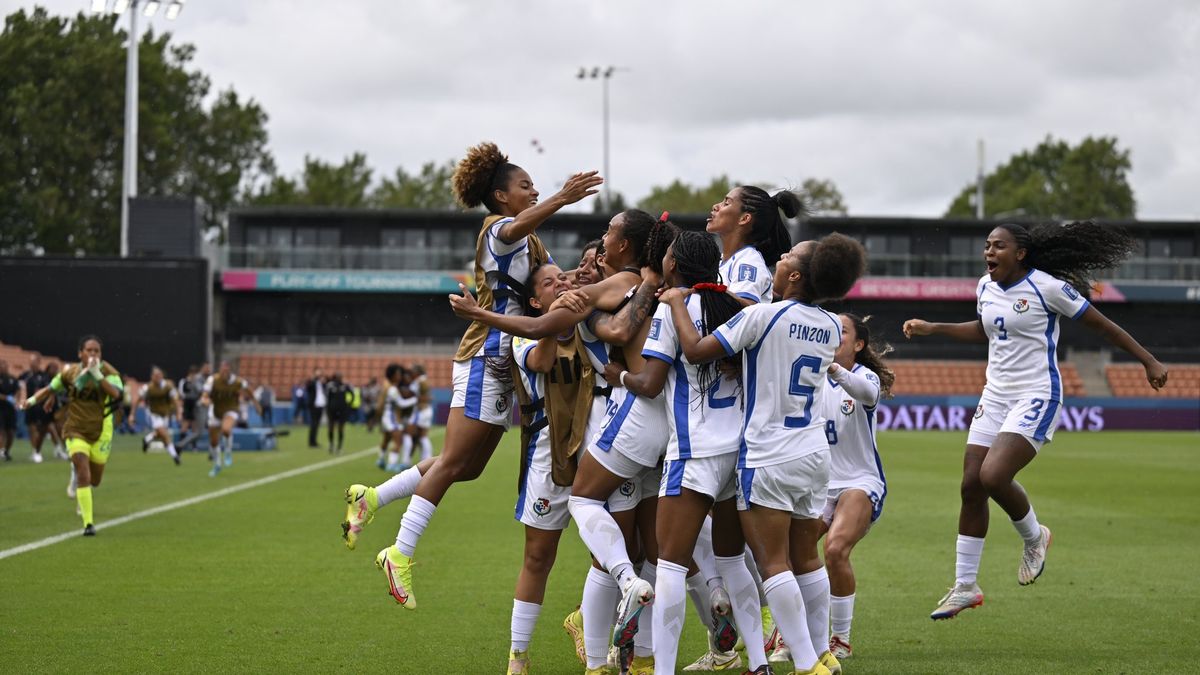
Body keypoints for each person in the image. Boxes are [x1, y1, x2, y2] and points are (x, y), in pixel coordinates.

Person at [350, 141, 601, 610]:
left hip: (507, 357)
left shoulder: (531, 240)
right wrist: (564, 198)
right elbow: (521, 229)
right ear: (502, 196)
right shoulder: (496, 228)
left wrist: (583, 274)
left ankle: (373, 498)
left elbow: (545, 278)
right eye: (525, 185)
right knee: (452, 461)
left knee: (468, 465)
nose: (534, 190)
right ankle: (399, 553)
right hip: (486, 354)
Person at [903, 221, 1168, 620]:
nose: (989, 253)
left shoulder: (1047, 287)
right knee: (971, 486)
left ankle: (1034, 536)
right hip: (994, 395)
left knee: (993, 477)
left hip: (1037, 394)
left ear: (1020, 253)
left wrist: (1148, 360)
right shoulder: (984, 287)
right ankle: (965, 586)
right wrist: (933, 328)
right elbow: (987, 330)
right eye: (987, 246)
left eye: (999, 246)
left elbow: (1103, 325)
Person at [667, 233, 867, 675]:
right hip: (814, 455)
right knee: (806, 559)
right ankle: (822, 651)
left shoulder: (762, 315)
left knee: (773, 562)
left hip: (768, 454)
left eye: (788, 257)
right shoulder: (832, 325)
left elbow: (697, 351)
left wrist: (678, 303)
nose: (779, 258)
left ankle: (807, 662)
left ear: (794, 275)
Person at [604, 230, 771, 675]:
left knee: (672, 568)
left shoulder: (672, 307)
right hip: (738, 453)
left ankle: (663, 670)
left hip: (692, 453)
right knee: (734, 562)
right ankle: (758, 663)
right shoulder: (737, 306)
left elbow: (652, 381)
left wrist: (618, 374)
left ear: (673, 266)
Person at [815, 314, 895, 661]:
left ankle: (840, 639)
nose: (833, 336)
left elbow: (867, 392)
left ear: (858, 345)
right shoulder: (811, 380)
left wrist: (834, 370)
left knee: (834, 550)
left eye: (842, 331)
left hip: (860, 483)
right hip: (818, 485)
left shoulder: (863, 376)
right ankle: (794, 634)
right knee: (790, 555)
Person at [23, 335, 123, 536]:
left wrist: (97, 375)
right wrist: (31, 401)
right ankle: (88, 524)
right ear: (80, 353)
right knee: (83, 471)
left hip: (101, 429)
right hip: (75, 428)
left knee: (95, 480)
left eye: (97, 351)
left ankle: (77, 473)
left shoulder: (109, 372)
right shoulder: (70, 372)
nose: (93, 354)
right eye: (89, 350)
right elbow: (52, 387)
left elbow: (116, 394)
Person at [707, 185, 800, 305]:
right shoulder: (721, 261)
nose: (715, 206)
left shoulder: (748, 261)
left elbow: (747, 307)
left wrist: (705, 291)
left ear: (744, 218)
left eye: (726, 203)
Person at [201, 361, 250, 477]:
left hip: (229, 409)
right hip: (215, 410)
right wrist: (205, 401)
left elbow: (245, 392)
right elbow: (205, 396)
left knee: (226, 430)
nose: (224, 372)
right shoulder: (212, 380)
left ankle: (228, 450)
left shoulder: (236, 382)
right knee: (213, 441)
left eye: (226, 370)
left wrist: (244, 398)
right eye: (222, 369)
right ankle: (217, 464)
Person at [19, 356, 66, 463]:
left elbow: (47, 390)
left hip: (43, 407)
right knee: (35, 429)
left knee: (48, 428)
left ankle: (54, 449)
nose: (32, 364)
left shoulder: (43, 376)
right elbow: (21, 387)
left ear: (39, 363)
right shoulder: (26, 375)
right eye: (31, 362)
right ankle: (36, 451)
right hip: (31, 406)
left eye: (35, 362)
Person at [139, 367, 182, 465]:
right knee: (165, 435)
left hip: (165, 414)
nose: (158, 378)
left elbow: (175, 400)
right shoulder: (148, 388)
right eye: (155, 376)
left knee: (160, 434)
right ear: (152, 377)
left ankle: (147, 439)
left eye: (159, 375)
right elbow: (138, 399)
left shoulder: (167, 386)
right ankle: (175, 456)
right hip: (153, 414)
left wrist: (178, 412)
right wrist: (132, 414)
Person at [407, 364, 436, 463]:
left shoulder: (419, 381)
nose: (410, 374)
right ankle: (425, 459)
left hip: (421, 411)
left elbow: (416, 395)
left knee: (413, 435)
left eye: (412, 372)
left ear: (417, 372)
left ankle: (424, 459)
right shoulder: (423, 380)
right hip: (425, 410)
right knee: (420, 436)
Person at [326, 372, 351, 454]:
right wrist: (328, 407)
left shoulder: (345, 386)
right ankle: (331, 444)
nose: (340, 378)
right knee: (331, 427)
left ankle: (339, 447)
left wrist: (349, 404)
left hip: (342, 410)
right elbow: (327, 397)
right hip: (332, 410)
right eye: (339, 377)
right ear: (335, 377)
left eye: (341, 377)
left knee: (341, 428)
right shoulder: (330, 386)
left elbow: (352, 394)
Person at [0, 360, 19, 461]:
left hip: (10, 409)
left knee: (11, 432)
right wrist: (6, 398)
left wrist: (16, 400)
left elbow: (18, 390)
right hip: (0, 409)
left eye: (4, 366)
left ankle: (6, 451)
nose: (3, 368)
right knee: (1, 431)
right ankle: (1, 450)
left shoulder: (13, 379)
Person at [306, 367, 327, 448]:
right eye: (317, 372)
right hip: (314, 405)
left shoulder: (321, 382)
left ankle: (314, 441)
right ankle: (311, 442)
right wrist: (314, 379)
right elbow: (308, 388)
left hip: (320, 405)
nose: (319, 374)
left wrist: (323, 382)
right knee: (314, 423)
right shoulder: (312, 381)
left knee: (317, 424)